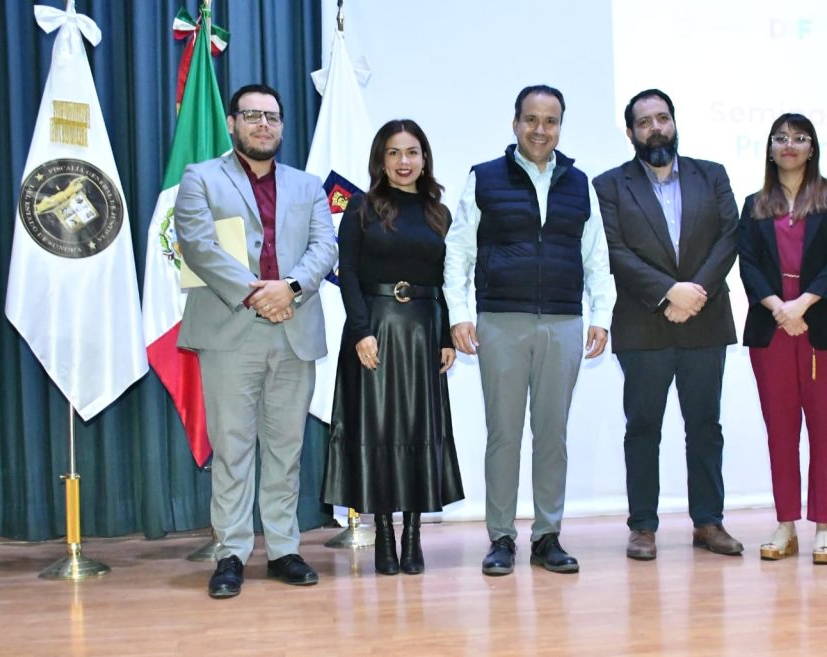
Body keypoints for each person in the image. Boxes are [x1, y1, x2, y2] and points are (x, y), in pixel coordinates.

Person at [444, 85, 616, 576]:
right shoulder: (484, 178)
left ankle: (548, 535)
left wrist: (601, 316)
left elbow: (596, 255)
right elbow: (459, 250)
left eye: (551, 121)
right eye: (531, 119)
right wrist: (459, 313)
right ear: (515, 123)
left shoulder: (579, 184)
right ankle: (501, 537)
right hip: (501, 321)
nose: (541, 130)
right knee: (503, 434)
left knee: (552, 435)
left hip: (563, 321)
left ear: (560, 126)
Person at [175, 83, 337, 598]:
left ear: (282, 126)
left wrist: (290, 288)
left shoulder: (308, 186)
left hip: (294, 329)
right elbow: (197, 245)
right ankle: (231, 553)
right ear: (231, 123)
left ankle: (285, 549)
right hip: (230, 332)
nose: (263, 125)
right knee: (233, 449)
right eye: (251, 115)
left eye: (272, 117)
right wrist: (258, 295)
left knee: (286, 450)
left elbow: (324, 246)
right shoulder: (201, 178)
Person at [593, 88, 743, 561]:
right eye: (644, 122)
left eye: (662, 118)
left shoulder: (711, 174)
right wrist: (667, 293)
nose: (655, 128)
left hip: (705, 319)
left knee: (705, 427)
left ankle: (709, 522)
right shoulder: (609, 185)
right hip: (643, 324)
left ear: (674, 122)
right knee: (643, 428)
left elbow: (729, 236)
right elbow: (613, 250)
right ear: (630, 132)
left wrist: (694, 292)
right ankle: (643, 526)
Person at [323, 119, 465, 576]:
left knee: (418, 430)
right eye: (394, 153)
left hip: (424, 332)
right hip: (376, 330)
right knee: (379, 431)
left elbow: (446, 281)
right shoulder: (361, 208)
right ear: (380, 161)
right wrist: (361, 331)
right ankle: (383, 533)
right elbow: (347, 272)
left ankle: (413, 536)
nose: (404, 161)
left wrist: (445, 337)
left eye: (412, 152)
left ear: (424, 159)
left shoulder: (439, 213)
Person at [738, 113, 827, 565]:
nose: (789, 145)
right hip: (772, 329)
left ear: (812, 148)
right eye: (781, 138)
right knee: (780, 431)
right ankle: (785, 524)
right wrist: (779, 308)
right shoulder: (754, 204)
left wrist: (801, 305)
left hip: (823, 327)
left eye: (799, 138)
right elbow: (747, 263)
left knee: (825, 429)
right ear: (770, 149)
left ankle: (825, 527)